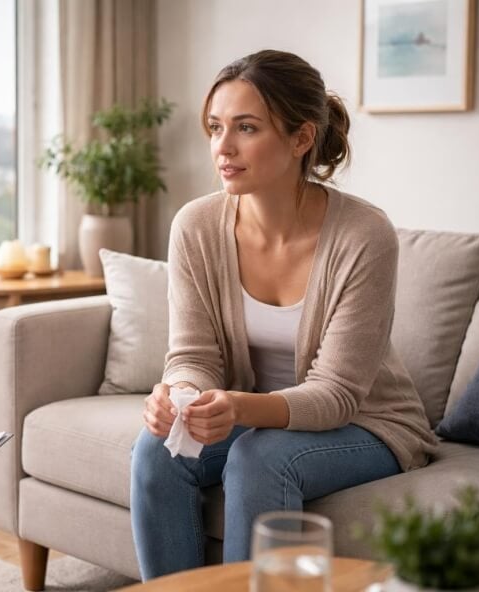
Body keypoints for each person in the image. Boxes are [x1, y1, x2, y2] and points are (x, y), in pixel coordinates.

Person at [129, 49, 437, 580]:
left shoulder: (364, 234)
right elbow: (193, 353)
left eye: (245, 128)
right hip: (253, 414)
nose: (222, 148)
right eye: (215, 127)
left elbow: (337, 393)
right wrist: (177, 393)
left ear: (301, 139)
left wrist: (238, 407)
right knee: (158, 448)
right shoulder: (196, 225)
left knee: (260, 457)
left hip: (367, 422)